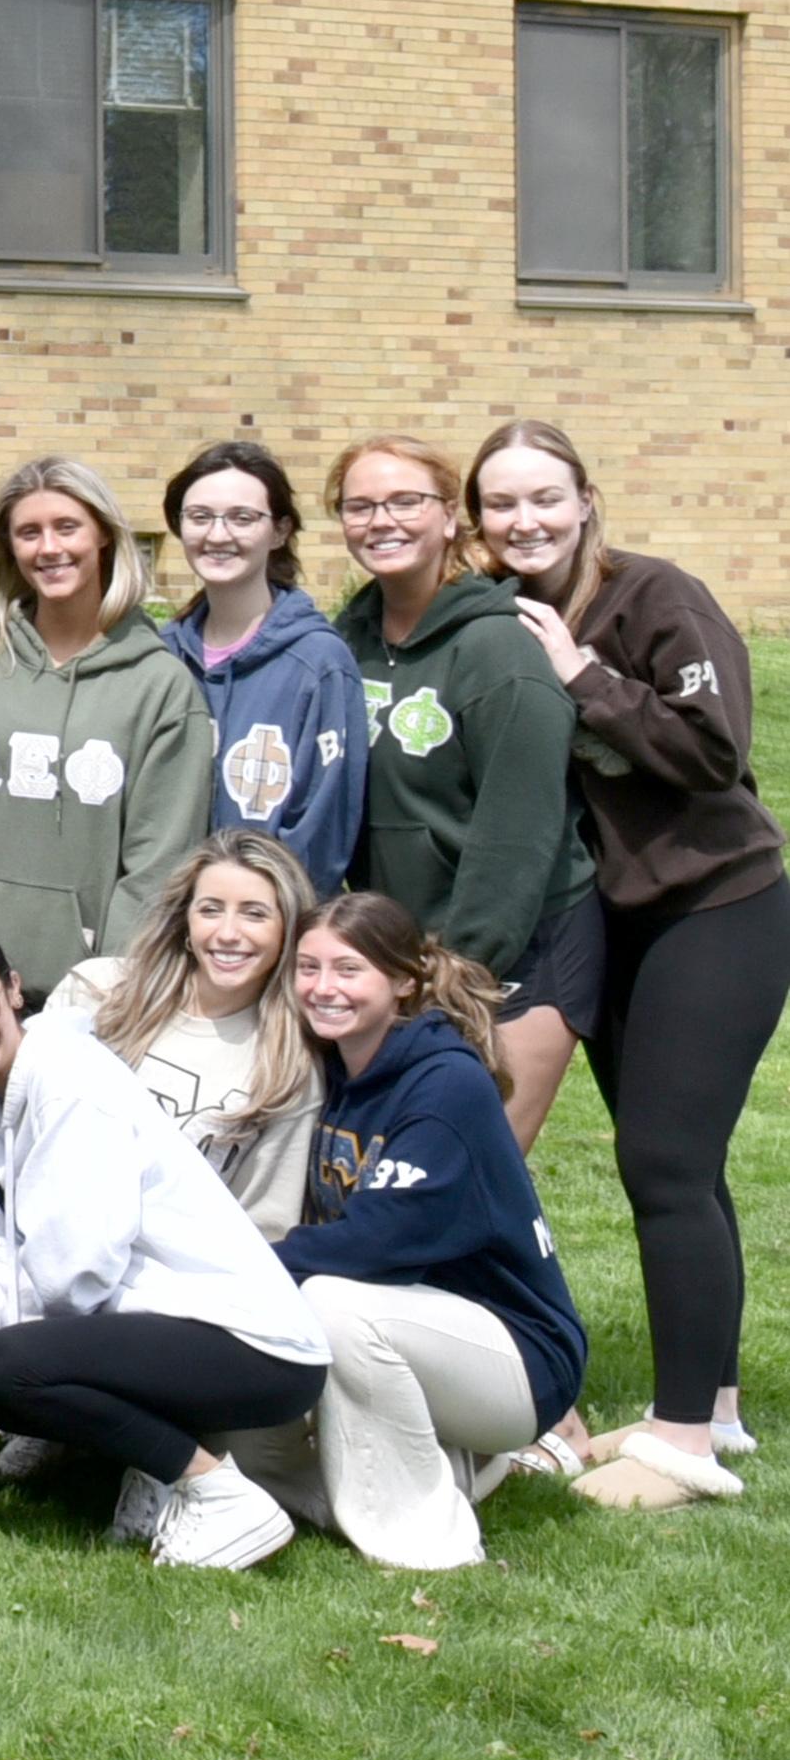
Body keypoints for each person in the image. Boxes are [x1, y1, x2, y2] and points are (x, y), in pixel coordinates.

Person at [466, 415, 778, 1498]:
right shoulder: (503, 613)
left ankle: (681, 1445)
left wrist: (584, 672)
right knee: (679, 1163)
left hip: (718, 906)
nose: (525, 519)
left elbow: (714, 747)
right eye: (501, 503)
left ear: (587, 498)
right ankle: (717, 1407)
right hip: (613, 923)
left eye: (544, 496)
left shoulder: (654, 597)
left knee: (663, 1162)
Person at [0, 921, 328, 1567]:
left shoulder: (68, 1085)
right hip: (171, 1321)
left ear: (14, 990)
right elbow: (28, 1247)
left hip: (255, 1345)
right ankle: (153, 1480)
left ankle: (215, 1493)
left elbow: (74, 1278)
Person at [235, 893, 588, 1562]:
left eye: (347, 969)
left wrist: (242, 1263)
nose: (321, 987)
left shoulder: (443, 1086)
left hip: (517, 1354)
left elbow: (372, 1245)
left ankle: (423, 1540)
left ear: (401, 981)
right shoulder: (335, 1069)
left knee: (334, 1302)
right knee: (248, 1441)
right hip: (423, 1328)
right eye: (306, 968)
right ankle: (456, 1472)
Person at [325, 436, 584, 1130]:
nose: (382, 520)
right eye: (360, 506)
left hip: (512, 947)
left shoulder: (498, 651)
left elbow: (517, 834)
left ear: (449, 517)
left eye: (405, 501)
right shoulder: (346, 644)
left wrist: (458, 970)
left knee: (468, 1172)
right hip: (402, 951)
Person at [0, 457, 217, 1005]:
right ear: (10, 548)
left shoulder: (159, 687)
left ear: (104, 539)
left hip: (89, 997)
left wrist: (109, 984)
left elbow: (157, 862)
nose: (49, 548)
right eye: (29, 532)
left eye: (66, 527)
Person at [41, 828, 320, 1233]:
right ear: (184, 921)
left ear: (288, 932)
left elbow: (263, 1228)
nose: (227, 933)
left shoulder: (288, 1066)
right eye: (210, 910)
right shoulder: (93, 995)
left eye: (254, 913)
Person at [160, 440, 369, 888]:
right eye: (199, 517)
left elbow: (324, 828)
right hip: (165, 927)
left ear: (279, 531)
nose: (218, 535)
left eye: (242, 517)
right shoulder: (162, 657)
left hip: (272, 928)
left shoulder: (318, 663)